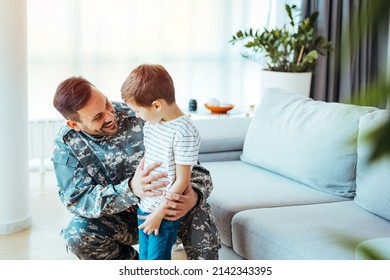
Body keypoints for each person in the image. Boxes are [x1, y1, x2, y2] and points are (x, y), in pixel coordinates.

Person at [51, 75, 220, 260]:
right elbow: (76, 199)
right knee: (77, 235)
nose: (110, 116)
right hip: (126, 218)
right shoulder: (68, 144)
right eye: (98, 117)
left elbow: (196, 171)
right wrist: (130, 190)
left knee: (198, 207)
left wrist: (194, 196)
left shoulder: (141, 113)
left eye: (107, 104)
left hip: (170, 208)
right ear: (74, 124)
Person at [120, 64, 201, 260]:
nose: (137, 116)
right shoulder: (152, 124)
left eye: (138, 111)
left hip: (163, 214)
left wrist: (159, 213)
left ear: (156, 105)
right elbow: (148, 161)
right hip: (145, 206)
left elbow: (182, 181)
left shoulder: (184, 131)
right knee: (145, 259)